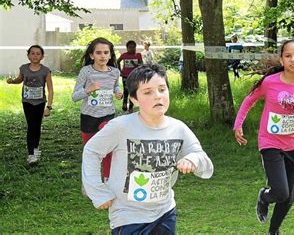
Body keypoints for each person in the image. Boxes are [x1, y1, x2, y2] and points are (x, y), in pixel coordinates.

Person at [82, 64, 214, 234]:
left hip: (165, 211)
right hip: (128, 215)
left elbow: (202, 159)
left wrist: (192, 159)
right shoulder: (121, 127)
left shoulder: (178, 128)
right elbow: (92, 151)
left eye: (162, 89)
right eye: (147, 92)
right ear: (134, 99)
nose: (157, 96)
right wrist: (98, 192)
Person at [233, 39, 294, 235]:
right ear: (281, 60)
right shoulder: (270, 82)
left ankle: (273, 231)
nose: (293, 59)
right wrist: (238, 124)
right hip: (270, 142)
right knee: (281, 192)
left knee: (289, 197)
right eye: (288, 56)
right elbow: (249, 101)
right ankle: (265, 197)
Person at [72, 37, 122, 181]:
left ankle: (107, 179)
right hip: (89, 117)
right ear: (91, 55)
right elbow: (75, 97)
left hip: (108, 116)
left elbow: (115, 86)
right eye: (99, 52)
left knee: (108, 150)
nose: (103, 56)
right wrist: (89, 89)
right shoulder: (86, 72)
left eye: (106, 52)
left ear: (111, 55)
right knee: (90, 152)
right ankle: (90, 182)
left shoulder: (114, 72)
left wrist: (118, 91)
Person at [7, 45, 54, 164]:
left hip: (40, 102)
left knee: (37, 126)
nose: (35, 56)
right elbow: (20, 79)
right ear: (28, 55)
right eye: (32, 53)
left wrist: (49, 106)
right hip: (27, 101)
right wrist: (12, 81)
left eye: (38, 53)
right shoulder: (24, 68)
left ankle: (36, 148)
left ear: (42, 56)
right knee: (31, 126)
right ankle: (31, 154)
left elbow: (50, 89)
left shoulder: (45, 70)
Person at [117, 40, 143, 113]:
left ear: (135, 47)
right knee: (126, 91)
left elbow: (142, 64)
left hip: (135, 76)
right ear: (127, 48)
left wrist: (138, 66)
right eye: (130, 47)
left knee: (132, 91)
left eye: (133, 47)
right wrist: (119, 70)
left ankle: (131, 106)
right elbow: (118, 61)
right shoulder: (124, 55)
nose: (132, 49)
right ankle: (124, 105)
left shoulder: (138, 55)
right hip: (125, 76)